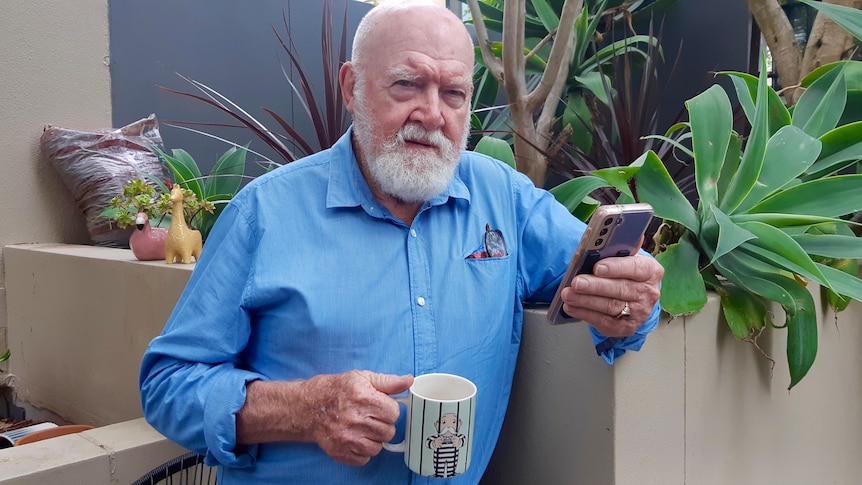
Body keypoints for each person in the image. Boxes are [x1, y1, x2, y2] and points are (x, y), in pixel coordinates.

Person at [139, 1, 664, 483]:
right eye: (408, 85)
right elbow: (167, 384)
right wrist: (303, 409)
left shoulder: (504, 199)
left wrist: (632, 300)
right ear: (351, 87)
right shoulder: (264, 213)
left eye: (454, 93)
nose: (432, 114)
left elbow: (606, 275)